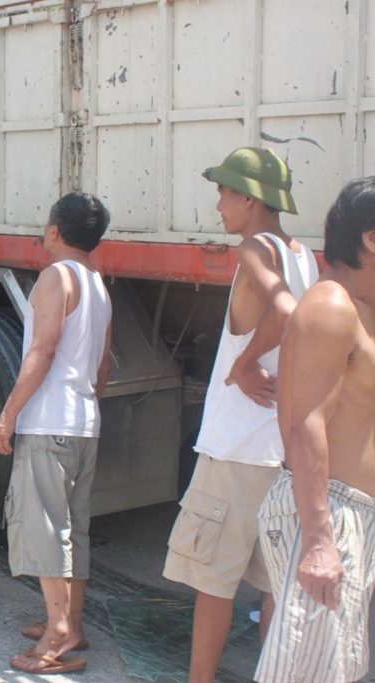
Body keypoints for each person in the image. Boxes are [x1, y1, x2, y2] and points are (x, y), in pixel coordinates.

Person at [162, 148, 318, 682]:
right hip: (281, 449)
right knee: (274, 586)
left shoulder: (254, 248)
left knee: (214, 582)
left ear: (249, 198)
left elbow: (285, 312)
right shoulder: (304, 254)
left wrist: (243, 365)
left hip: (236, 449)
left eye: (225, 192)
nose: (218, 205)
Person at [255, 177, 375, 683]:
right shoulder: (331, 305)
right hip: (329, 510)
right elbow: (304, 427)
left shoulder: (363, 310)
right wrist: (321, 540)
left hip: (354, 514)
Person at [0, 192, 113, 675]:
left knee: (44, 531)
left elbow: (41, 351)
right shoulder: (98, 286)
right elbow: (101, 367)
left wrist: (7, 416)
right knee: (73, 530)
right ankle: (72, 623)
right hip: (84, 425)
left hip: (49, 424)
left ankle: (57, 633)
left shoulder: (54, 278)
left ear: (56, 230)